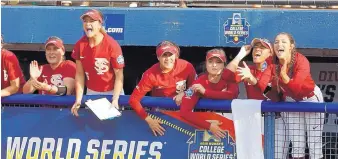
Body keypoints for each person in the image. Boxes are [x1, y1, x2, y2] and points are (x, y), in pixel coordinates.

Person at [224, 38, 287, 158]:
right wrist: (240, 55)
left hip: (275, 121)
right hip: (254, 120)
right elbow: (226, 76)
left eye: (262, 47)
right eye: (256, 47)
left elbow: (275, 96)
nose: (257, 49)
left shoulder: (276, 69)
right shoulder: (249, 69)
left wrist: (254, 81)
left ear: (270, 53)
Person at [129, 41, 197, 136]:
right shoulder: (150, 74)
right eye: (164, 55)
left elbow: (197, 86)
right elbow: (133, 100)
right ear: (158, 57)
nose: (168, 59)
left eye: (171, 55)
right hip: (160, 113)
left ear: (176, 55)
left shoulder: (186, 66)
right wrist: (148, 119)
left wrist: (186, 93)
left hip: (183, 110)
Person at [273, 32, 323, 159]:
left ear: (291, 46)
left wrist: (284, 78)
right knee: (296, 144)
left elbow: (296, 87)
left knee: (314, 144)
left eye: (284, 41)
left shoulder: (301, 60)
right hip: (291, 100)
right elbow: (265, 85)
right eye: (276, 41)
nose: (279, 44)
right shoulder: (272, 63)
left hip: (311, 98)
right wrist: (257, 82)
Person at [71, 9, 125, 117]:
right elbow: (80, 74)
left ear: (100, 24)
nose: (88, 24)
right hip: (92, 92)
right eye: (85, 21)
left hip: (112, 91)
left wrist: (115, 99)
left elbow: (119, 76)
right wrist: (78, 99)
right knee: (92, 128)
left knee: (114, 129)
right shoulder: (79, 45)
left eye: (92, 21)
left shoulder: (112, 45)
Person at [179, 49, 239, 139]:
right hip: (205, 128)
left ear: (224, 65)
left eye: (218, 62)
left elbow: (232, 94)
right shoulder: (199, 82)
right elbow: (184, 112)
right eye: (210, 62)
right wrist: (209, 126)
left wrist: (205, 92)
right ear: (206, 64)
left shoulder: (229, 78)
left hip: (231, 125)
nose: (214, 65)